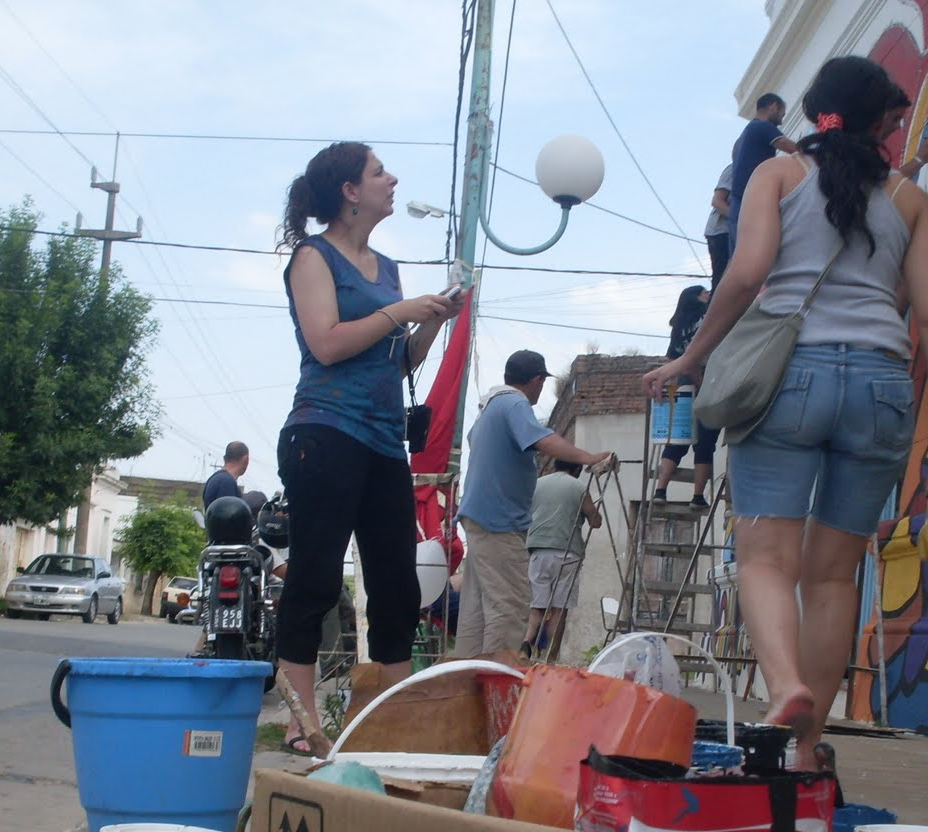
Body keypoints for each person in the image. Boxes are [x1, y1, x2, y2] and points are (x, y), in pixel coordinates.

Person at [642, 56, 928, 773]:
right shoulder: (910, 201)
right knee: (833, 576)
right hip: (882, 387)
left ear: (816, 112)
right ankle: (805, 748)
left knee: (766, 556)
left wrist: (691, 358)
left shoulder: (777, 175)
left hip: (790, 378)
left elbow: (746, 273)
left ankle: (785, 689)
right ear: (881, 122)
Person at [273, 141, 466, 753]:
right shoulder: (313, 256)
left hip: (383, 443)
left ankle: (392, 720)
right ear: (350, 191)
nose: (392, 180)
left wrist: (432, 319)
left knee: (397, 587)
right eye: (379, 172)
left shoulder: (387, 268)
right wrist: (399, 311)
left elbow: (398, 360)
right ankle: (302, 724)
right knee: (316, 576)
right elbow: (327, 343)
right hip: (324, 434)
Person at [454, 350, 617, 659]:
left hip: (480, 518)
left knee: (477, 609)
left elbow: (480, 442)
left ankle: (466, 673)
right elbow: (541, 439)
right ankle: (499, 678)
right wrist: (589, 457)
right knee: (511, 606)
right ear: (537, 380)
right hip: (499, 523)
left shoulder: (489, 407)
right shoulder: (514, 403)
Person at [525, 459, 603, 660]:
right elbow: (595, 521)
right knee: (559, 609)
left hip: (539, 550)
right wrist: (595, 512)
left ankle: (527, 642)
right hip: (567, 552)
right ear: (576, 469)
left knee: (537, 606)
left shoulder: (537, 484)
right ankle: (551, 657)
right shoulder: (578, 486)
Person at [653, 286, 718, 508]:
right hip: (708, 380)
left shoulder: (679, 325)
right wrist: (700, 381)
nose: (709, 295)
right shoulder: (707, 317)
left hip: (682, 385)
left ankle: (660, 490)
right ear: (697, 297)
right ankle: (698, 497)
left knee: (677, 438)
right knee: (705, 441)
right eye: (705, 292)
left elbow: (671, 359)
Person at [727, 93, 799, 251]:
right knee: (762, 251)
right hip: (752, 203)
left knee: (740, 255)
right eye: (782, 114)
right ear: (773, 106)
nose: (781, 121)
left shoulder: (742, 138)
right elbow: (792, 148)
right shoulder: (763, 127)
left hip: (737, 205)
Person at [705, 160, 733, 290]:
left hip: (733, 229)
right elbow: (717, 201)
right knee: (722, 276)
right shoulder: (733, 169)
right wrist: (739, 219)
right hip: (720, 230)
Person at [202, 441, 248, 508]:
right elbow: (229, 513)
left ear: (225, 458)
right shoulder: (226, 482)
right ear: (246, 459)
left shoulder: (214, 478)